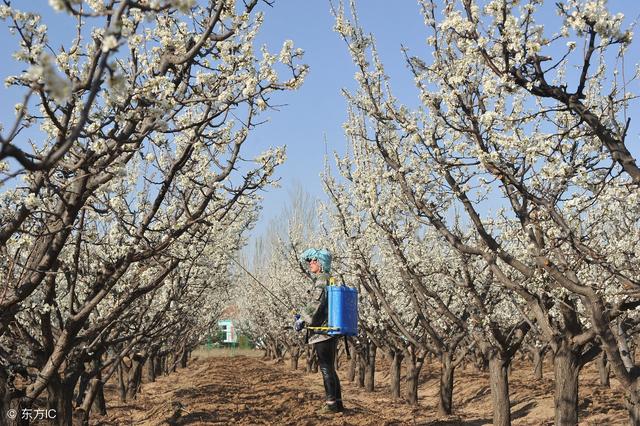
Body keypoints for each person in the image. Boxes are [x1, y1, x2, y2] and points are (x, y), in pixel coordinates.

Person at [295, 248, 344, 414]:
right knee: (329, 367)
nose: (310, 264)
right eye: (309, 261)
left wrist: (303, 319)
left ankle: (330, 405)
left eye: (314, 261)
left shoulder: (322, 279)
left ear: (322, 263)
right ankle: (337, 403)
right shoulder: (328, 279)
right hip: (329, 329)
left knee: (325, 367)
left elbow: (317, 303)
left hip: (323, 330)